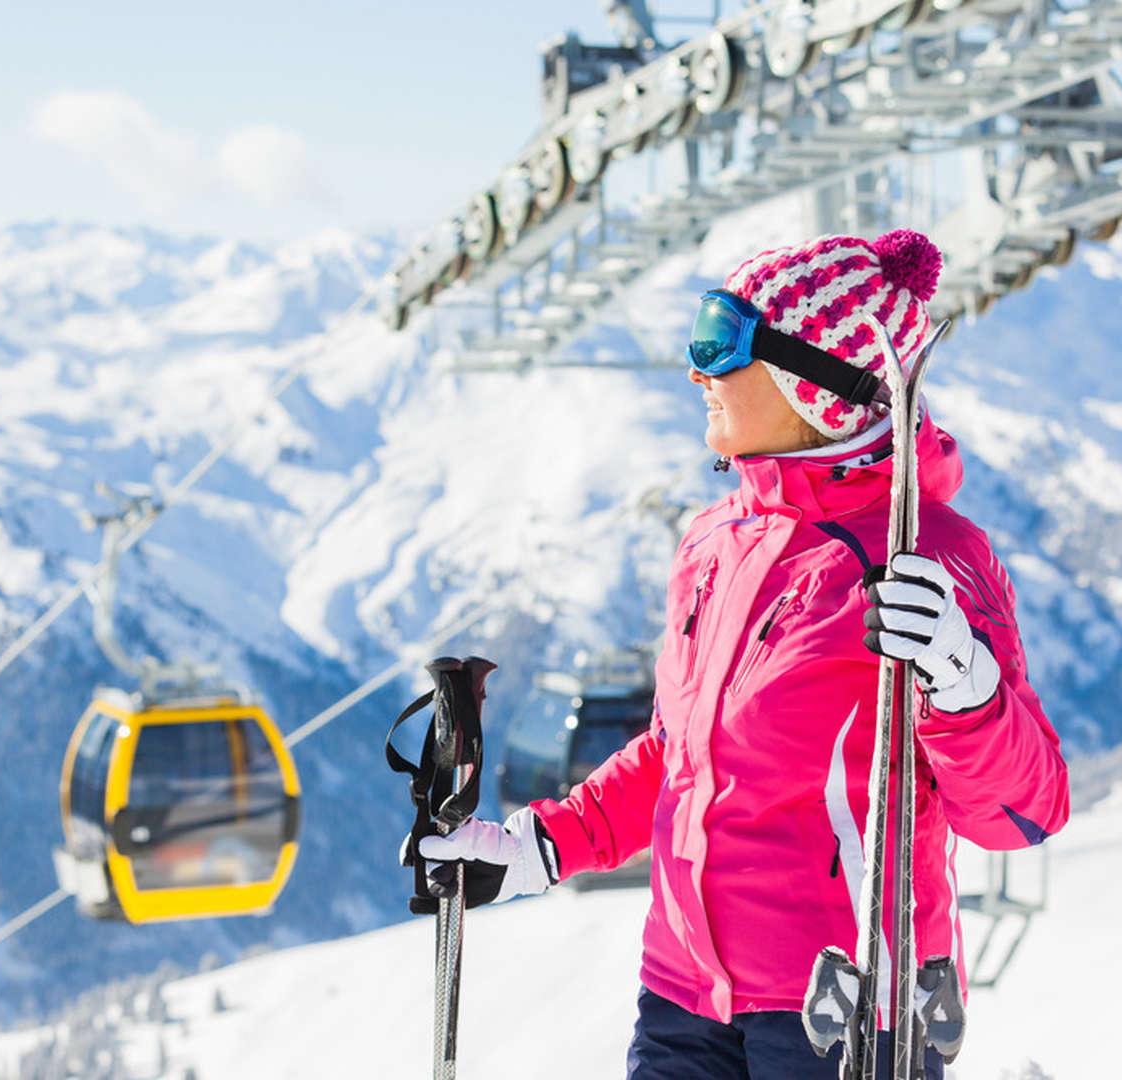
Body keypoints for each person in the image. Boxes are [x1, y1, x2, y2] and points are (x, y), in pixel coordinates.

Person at [408, 229, 1071, 1078]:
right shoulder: (716, 541)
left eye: (721, 342)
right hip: (683, 993)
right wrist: (542, 846)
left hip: (840, 1011)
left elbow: (1023, 811)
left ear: (813, 384)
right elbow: (680, 758)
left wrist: (962, 680)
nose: (697, 371)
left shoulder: (923, 556)